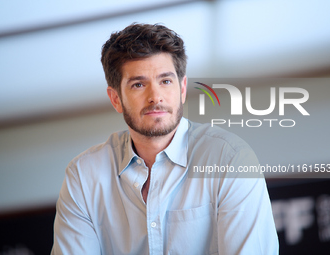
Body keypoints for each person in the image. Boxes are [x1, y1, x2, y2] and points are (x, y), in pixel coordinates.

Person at [51, 23, 278, 254]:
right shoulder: (84, 176)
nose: (155, 96)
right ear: (116, 98)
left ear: (182, 88)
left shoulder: (229, 159)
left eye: (165, 81)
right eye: (138, 84)